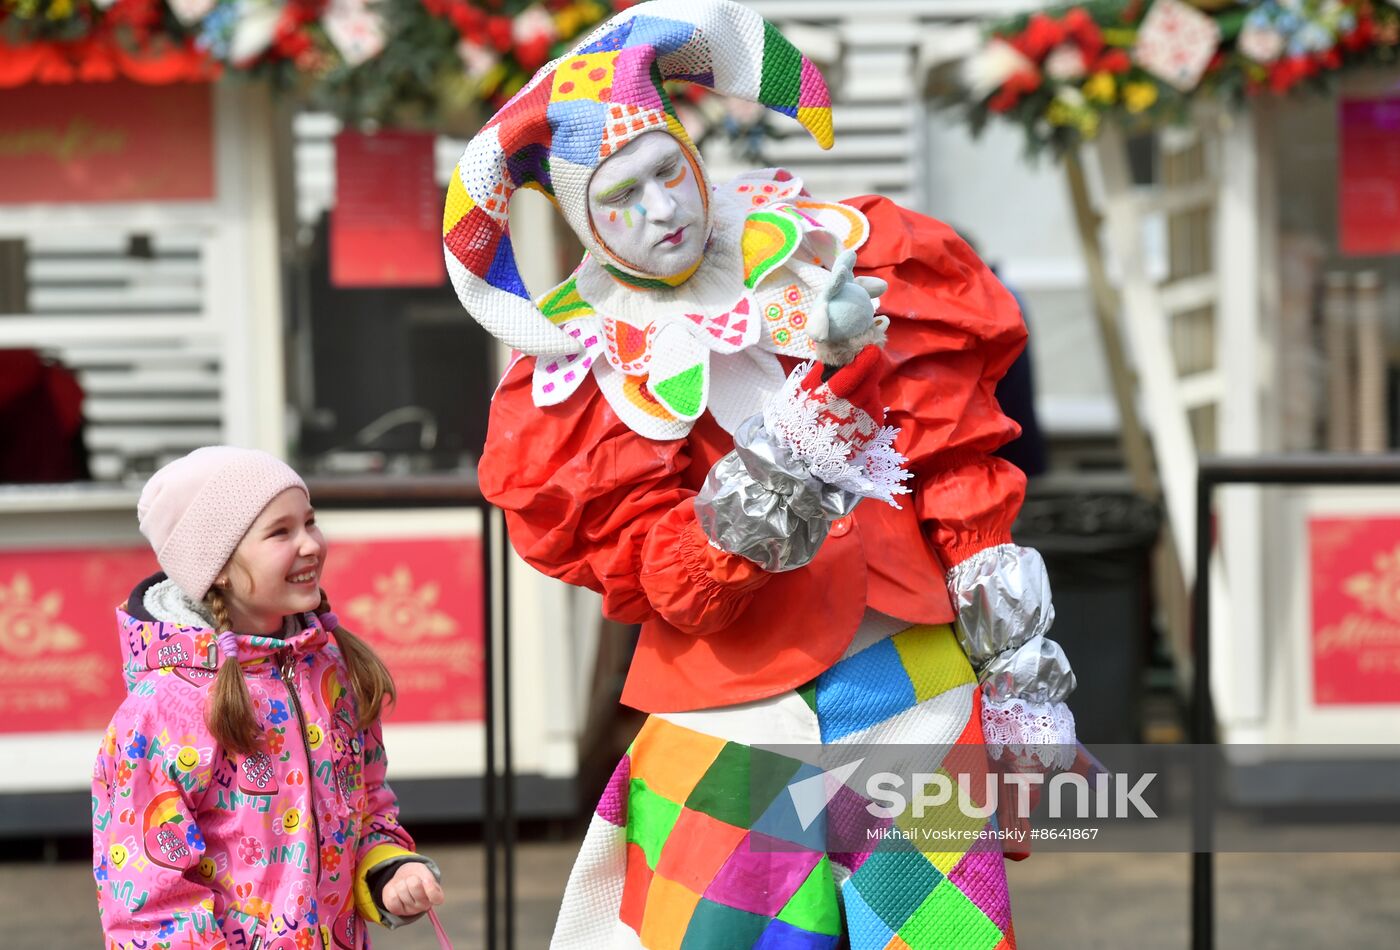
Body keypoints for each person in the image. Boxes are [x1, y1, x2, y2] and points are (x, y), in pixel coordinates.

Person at [446, 2, 1080, 946]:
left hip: (910, 683)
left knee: (939, 939)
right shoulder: (576, 382)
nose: (662, 209)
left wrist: (1022, 677)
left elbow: (952, 464)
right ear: (582, 218)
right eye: (620, 197)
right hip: (734, 712)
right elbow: (680, 586)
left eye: (668, 169)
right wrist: (802, 420)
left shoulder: (836, 249)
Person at [92, 446, 444, 948]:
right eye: (280, 532)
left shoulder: (330, 669)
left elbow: (367, 806)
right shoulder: (161, 710)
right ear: (217, 566)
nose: (311, 545)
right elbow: (148, 900)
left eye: (310, 521)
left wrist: (389, 871)